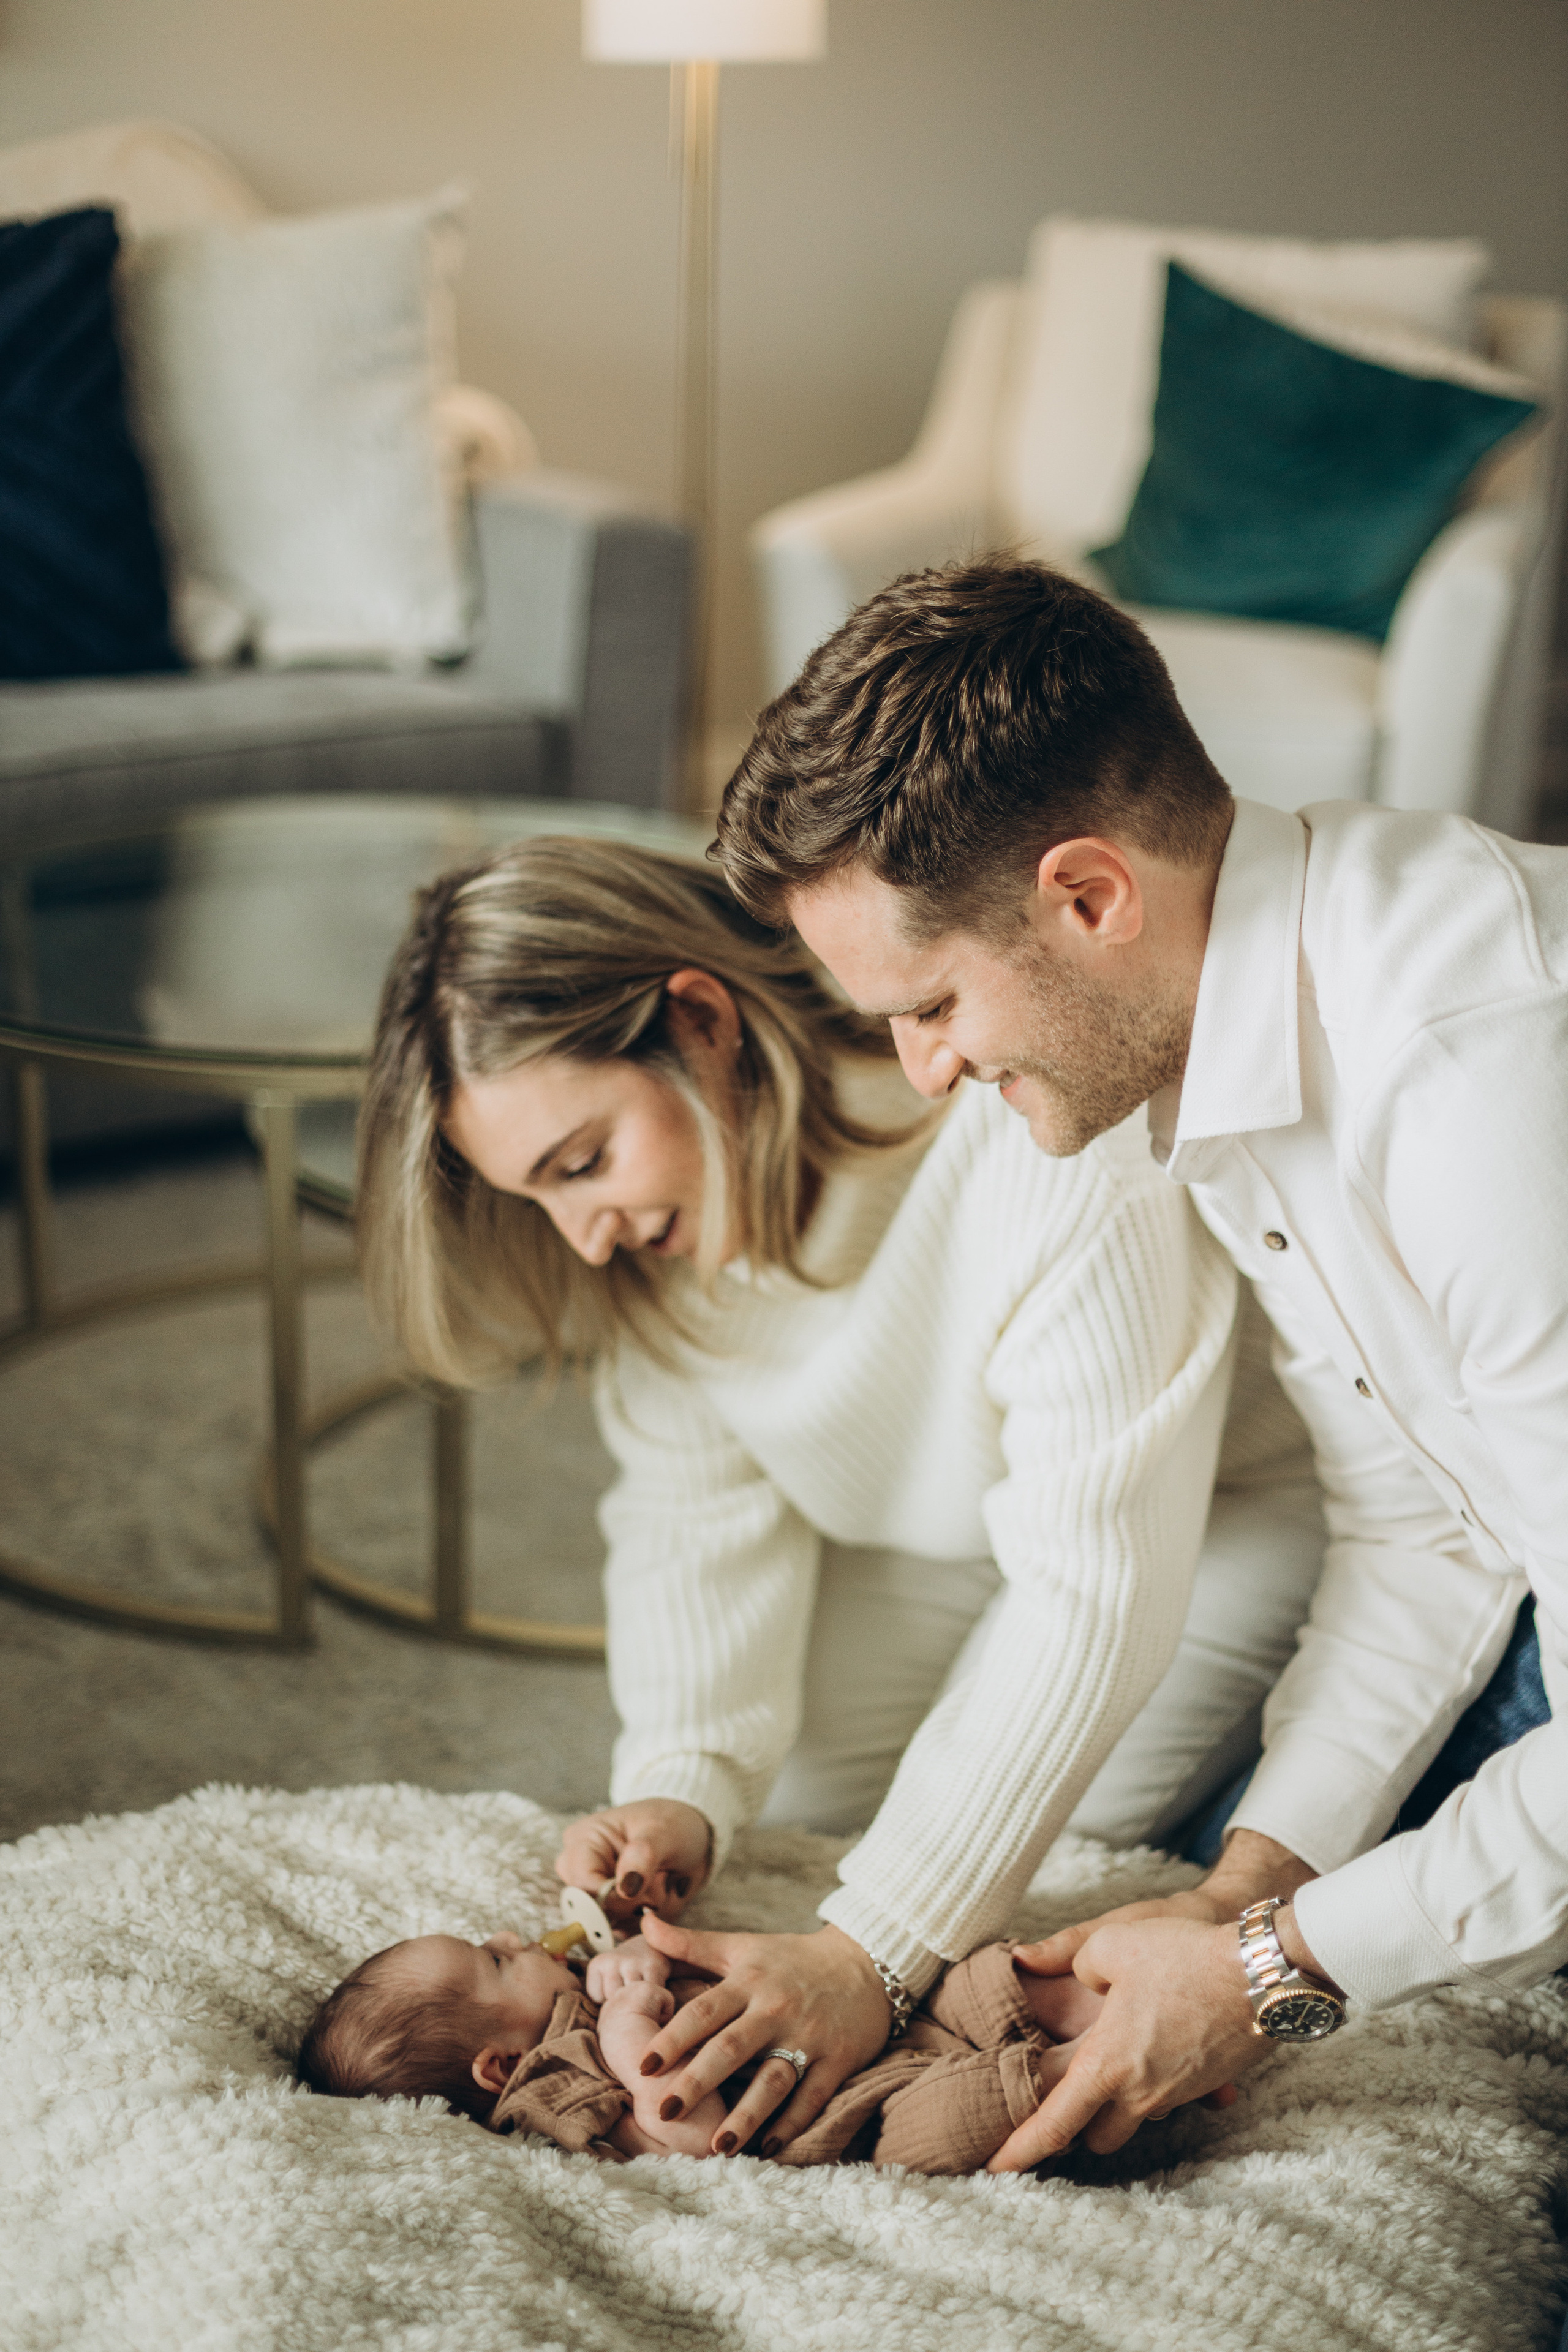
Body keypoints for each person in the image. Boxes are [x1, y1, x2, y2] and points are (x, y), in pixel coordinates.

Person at [711, 553, 1567, 2173]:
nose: (922, 1070)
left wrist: (1272, 1978)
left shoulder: (1471, 1076)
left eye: (929, 1003)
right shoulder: (1216, 1030)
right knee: (1203, 1866)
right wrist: (1251, 1892)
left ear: (1088, 897)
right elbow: (1425, 1520)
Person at [356, 834, 1323, 2160]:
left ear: (702, 1023)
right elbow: (689, 1521)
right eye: (542, 1199)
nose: (584, 1235)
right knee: (799, 1812)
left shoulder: (1033, 1127)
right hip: (953, 1527)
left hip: (1211, 1514)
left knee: (1037, 1867)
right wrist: (682, 1783)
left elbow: (1093, 1593)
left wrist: (873, 1951)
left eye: (584, 1163)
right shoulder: (652, 1256)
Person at [295, 1923, 1102, 2174]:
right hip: (848, 2113)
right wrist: (627, 2029)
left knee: (978, 1977)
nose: (511, 1936)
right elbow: (691, 2139)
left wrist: (641, 1959)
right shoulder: (549, 2090)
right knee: (946, 2121)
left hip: (867, 2020)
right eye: (495, 1960)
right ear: (500, 2065)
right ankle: (1085, 2066)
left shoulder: (590, 1988)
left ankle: (1091, 2000)